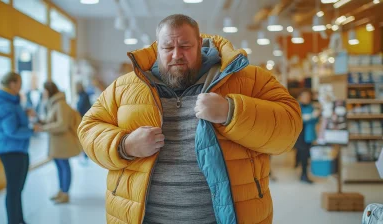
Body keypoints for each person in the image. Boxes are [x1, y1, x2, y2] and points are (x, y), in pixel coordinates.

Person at [78, 14, 302, 224]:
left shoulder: (249, 79)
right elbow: (88, 128)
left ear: (200, 44)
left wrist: (231, 111)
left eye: (185, 46)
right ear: (157, 48)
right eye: (168, 47)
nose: (176, 54)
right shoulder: (124, 86)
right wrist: (124, 145)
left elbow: (290, 125)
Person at [0, 72, 40, 224]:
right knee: (14, 189)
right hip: (10, 150)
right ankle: (14, 220)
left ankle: (19, 219)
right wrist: (33, 130)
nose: (21, 86)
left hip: (17, 149)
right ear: (12, 84)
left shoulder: (11, 102)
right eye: (19, 83)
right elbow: (11, 130)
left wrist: (24, 113)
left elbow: (12, 119)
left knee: (17, 189)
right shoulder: (5, 104)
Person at [37, 81, 81, 204]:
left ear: (49, 90)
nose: (43, 93)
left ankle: (65, 193)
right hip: (57, 143)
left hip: (63, 143)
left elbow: (62, 125)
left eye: (44, 90)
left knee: (64, 166)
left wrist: (44, 128)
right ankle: (61, 191)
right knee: (60, 167)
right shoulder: (54, 103)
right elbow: (52, 119)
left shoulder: (60, 104)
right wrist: (40, 121)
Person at [295, 89, 319, 184]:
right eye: (304, 96)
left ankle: (304, 173)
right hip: (300, 135)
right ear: (300, 97)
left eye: (308, 96)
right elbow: (299, 119)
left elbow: (314, 121)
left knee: (306, 155)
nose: (307, 98)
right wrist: (312, 116)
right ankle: (304, 175)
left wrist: (313, 117)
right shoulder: (296, 106)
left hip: (308, 134)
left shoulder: (311, 107)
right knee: (303, 154)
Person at [76, 82, 91, 164]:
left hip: (84, 120)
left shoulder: (84, 96)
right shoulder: (83, 95)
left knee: (84, 138)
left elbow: (80, 108)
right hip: (83, 119)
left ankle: (85, 154)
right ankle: (85, 154)